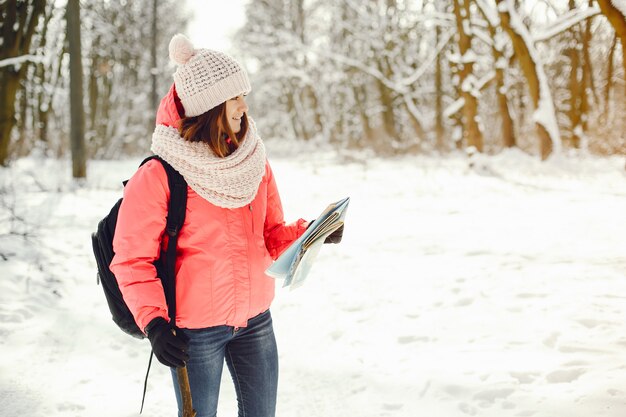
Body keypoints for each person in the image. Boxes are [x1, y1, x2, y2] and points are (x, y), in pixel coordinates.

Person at [109, 34, 343, 417]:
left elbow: (270, 234)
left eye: (244, 96)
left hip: (256, 321)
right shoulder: (160, 173)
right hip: (193, 332)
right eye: (235, 97)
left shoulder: (253, 161)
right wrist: (153, 322)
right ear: (209, 105)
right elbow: (131, 260)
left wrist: (312, 233)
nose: (243, 107)